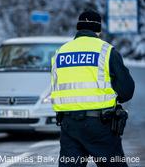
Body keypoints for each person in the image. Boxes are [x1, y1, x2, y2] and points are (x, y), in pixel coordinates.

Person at [50, 10, 135, 167]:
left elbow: (56, 86)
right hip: (101, 125)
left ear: (79, 28)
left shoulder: (60, 52)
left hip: (69, 125)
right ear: (98, 29)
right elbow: (127, 90)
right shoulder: (106, 51)